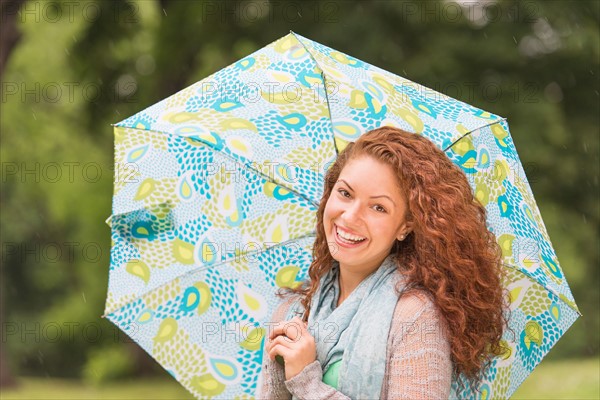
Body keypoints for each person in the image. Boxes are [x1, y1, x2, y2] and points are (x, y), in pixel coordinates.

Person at [257, 126, 508, 399]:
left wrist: (306, 381)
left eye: (378, 207)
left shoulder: (414, 316)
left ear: (406, 225)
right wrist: (281, 366)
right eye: (345, 193)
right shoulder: (292, 312)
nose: (350, 216)